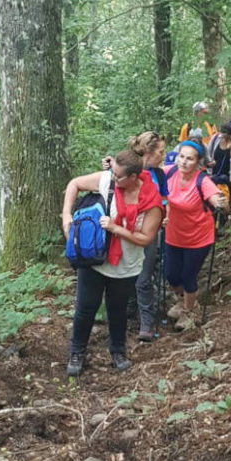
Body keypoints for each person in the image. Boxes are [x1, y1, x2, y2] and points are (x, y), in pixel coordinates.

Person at [62, 150, 163, 376]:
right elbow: (74, 184)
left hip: (127, 264)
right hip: (96, 258)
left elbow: (146, 238)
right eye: (112, 173)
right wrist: (66, 216)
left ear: (134, 177)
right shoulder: (107, 179)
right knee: (85, 307)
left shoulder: (152, 201)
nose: (113, 178)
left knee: (117, 310)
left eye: (118, 176)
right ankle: (77, 352)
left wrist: (117, 229)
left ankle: (118, 351)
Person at [163, 140, 225, 331]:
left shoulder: (202, 181)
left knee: (188, 275)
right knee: (172, 275)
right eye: (181, 156)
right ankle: (184, 301)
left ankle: (189, 312)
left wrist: (219, 202)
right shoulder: (169, 172)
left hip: (198, 237)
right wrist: (113, 165)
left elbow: (214, 196)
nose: (183, 162)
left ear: (198, 161)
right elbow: (143, 172)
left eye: (189, 159)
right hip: (173, 234)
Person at [126, 132, 168, 342]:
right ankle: (130, 310)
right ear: (148, 153)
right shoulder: (128, 171)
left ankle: (146, 322)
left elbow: (163, 199)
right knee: (127, 274)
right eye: (160, 151)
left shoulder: (159, 175)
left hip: (150, 231)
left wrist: (163, 214)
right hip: (126, 229)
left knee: (144, 276)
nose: (163, 155)